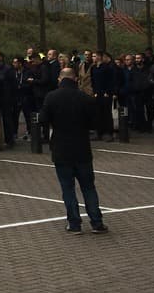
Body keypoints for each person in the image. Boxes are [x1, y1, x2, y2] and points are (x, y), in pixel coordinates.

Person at [39, 66, 108, 234]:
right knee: (88, 187)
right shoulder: (84, 97)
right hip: (82, 147)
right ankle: (96, 222)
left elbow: (42, 119)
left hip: (61, 148)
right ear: (75, 79)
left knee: (67, 188)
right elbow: (94, 123)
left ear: (60, 79)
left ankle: (74, 223)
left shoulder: (51, 97)